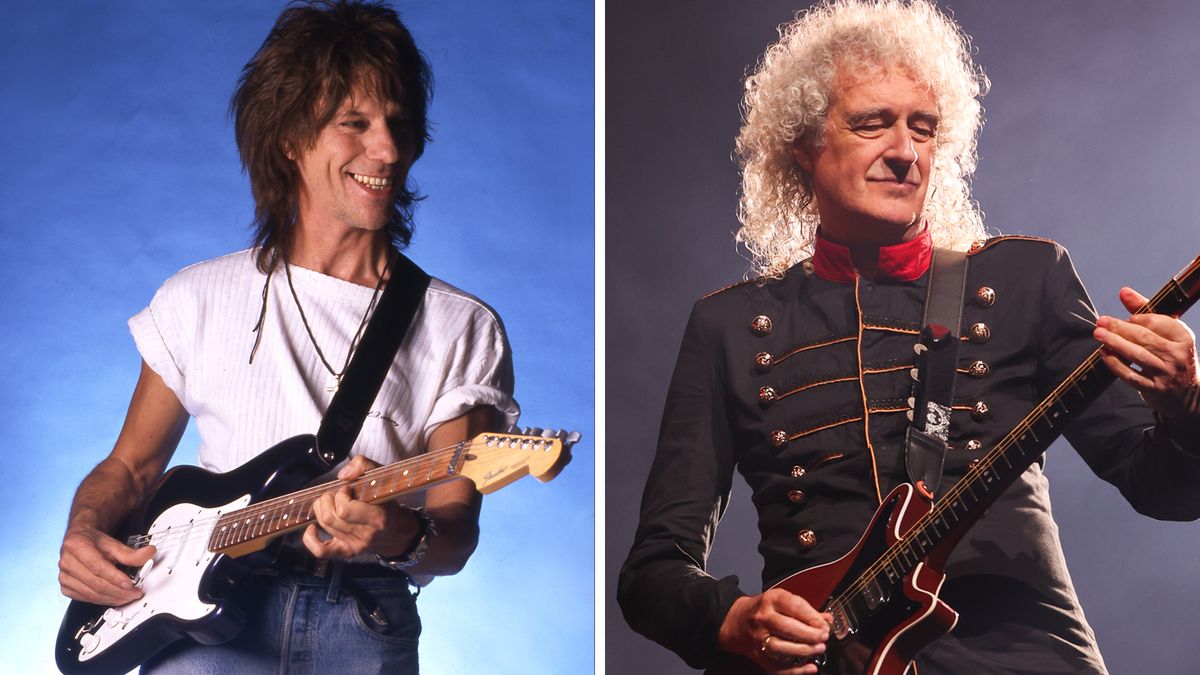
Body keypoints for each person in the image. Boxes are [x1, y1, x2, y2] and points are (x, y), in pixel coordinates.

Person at [618, 1, 1200, 673]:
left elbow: (1166, 492)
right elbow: (652, 573)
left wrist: (1185, 404)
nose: (903, 151)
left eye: (922, 129)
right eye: (872, 123)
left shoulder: (1026, 277)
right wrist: (735, 617)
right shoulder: (727, 326)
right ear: (805, 144)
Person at [56, 1, 517, 672]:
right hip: (195, 623)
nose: (387, 151)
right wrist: (84, 529)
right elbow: (128, 469)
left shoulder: (461, 325)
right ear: (289, 139)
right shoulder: (198, 296)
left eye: (399, 125)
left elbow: (454, 536)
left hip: (361, 620)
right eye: (354, 124)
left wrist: (393, 532)